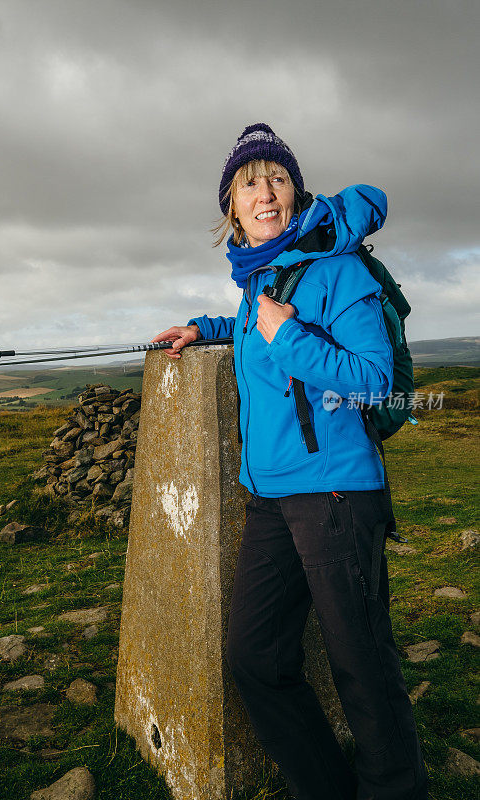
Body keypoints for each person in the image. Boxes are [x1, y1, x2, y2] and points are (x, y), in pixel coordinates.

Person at [152, 123, 428, 800]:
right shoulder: (262, 278)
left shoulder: (338, 267)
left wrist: (289, 335)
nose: (264, 191)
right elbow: (256, 323)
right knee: (255, 660)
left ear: (295, 191)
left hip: (335, 496)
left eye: (276, 177)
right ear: (231, 208)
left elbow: (372, 379)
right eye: (249, 182)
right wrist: (206, 327)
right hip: (271, 498)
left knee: (361, 667)